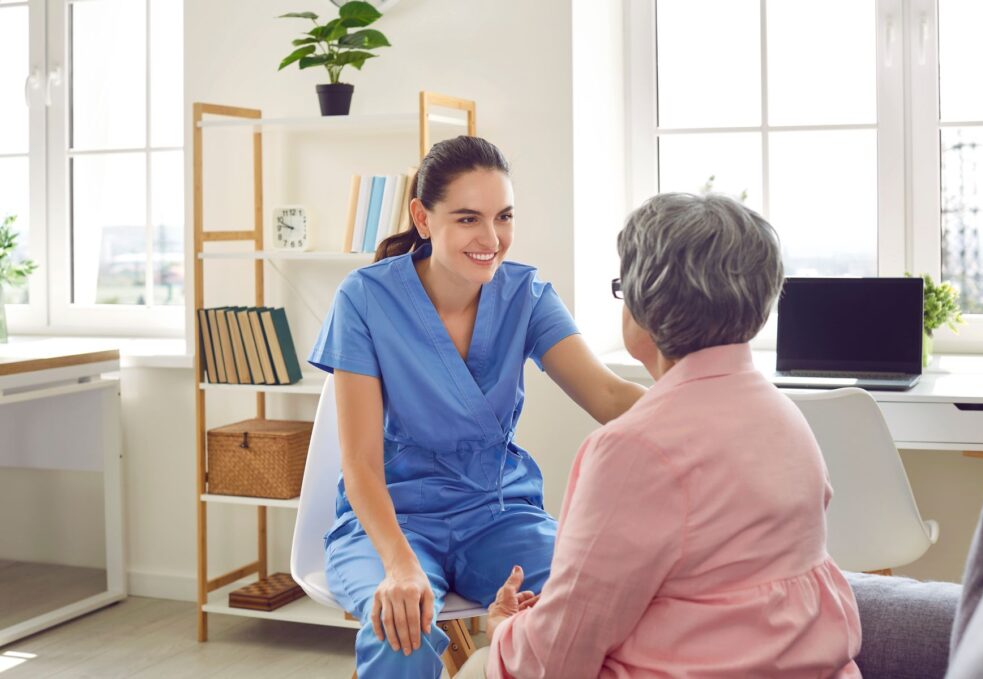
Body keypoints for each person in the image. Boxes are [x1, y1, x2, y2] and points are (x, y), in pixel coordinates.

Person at [461, 192, 862, 678]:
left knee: (483, 664)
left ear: (645, 306)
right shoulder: (785, 417)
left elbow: (558, 658)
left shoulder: (633, 449)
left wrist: (504, 629)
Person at [307, 135, 646, 678]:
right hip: (393, 521)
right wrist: (399, 566)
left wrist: (707, 410)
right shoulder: (364, 298)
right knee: (402, 631)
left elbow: (606, 395)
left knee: (595, 596)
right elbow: (362, 464)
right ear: (422, 217)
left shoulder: (527, 295)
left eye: (503, 217)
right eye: (468, 219)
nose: (492, 238)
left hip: (498, 516)